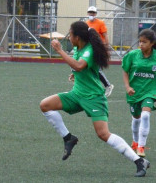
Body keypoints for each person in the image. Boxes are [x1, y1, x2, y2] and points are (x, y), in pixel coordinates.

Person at [39, 21, 150, 177]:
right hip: (77, 94)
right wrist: (76, 75)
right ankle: (68, 138)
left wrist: (59, 50)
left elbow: (79, 65)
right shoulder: (79, 48)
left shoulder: (89, 50)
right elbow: (80, 69)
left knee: (103, 134)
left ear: (77, 37)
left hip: (94, 98)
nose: (69, 37)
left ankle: (139, 161)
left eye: (70, 34)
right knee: (45, 105)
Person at [122, 29, 156, 158]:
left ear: (152, 43)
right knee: (136, 118)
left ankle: (141, 147)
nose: (141, 44)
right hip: (134, 92)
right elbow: (125, 71)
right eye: (140, 41)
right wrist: (127, 86)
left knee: (146, 115)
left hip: (150, 92)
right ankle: (135, 142)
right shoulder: (132, 55)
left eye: (144, 42)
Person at [86, 6, 114, 97]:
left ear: (96, 14)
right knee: (91, 68)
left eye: (93, 13)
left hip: (98, 48)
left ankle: (108, 85)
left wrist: (106, 47)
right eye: (90, 12)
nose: (91, 14)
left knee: (96, 68)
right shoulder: (86, 23)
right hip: (90, 48)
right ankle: (98, 87)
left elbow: (105, 35)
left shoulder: (100, 23)